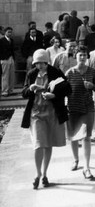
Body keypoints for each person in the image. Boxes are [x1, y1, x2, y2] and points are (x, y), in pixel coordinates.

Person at [21, 49, 71, 189]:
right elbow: (24, 92)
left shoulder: (55, 72)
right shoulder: (31, 74)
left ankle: (44, 174)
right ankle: (37, 174)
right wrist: (30, 88)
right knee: (38, 144)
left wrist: (53, 96)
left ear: (46, 62)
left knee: (48, 143)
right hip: (36, 114)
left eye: (42, 63)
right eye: (37, 64)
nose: (39, 66)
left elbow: (68, 89)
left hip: (52, 113)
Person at [65, 45, 95, 179]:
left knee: (86, 136)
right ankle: (75, 160)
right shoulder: (69, 73)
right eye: (80, 55)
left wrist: (92, 86)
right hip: (73, 108)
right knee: (73, 136)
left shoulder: (91, 72)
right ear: (75, 56)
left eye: (85, 55)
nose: (83, 57)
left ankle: (87, 167)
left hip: (87, 107)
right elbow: (63, 90)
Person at [0, 27, 16, 97]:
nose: (10, 33)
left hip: (11, 59)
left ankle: (10, 90)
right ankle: (4, 91)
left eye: (11, 32)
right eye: (8, 32)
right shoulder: (1, 40)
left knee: (12, 75)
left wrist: (13, 58)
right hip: (4, 59)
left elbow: (12, 50)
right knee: (5, 76)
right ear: (5, 32)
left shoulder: (11, 40)